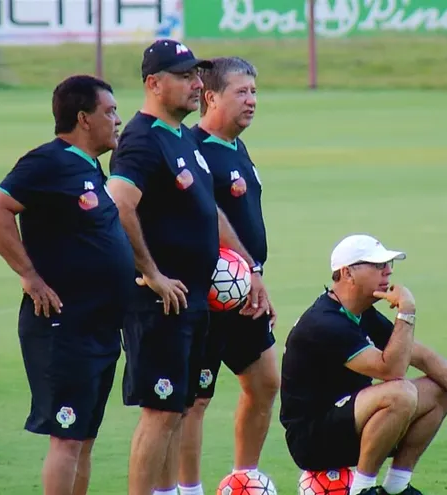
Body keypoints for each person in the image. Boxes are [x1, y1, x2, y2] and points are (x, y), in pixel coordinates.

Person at [0, 75, 134, 495]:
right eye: (110, 111)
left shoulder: (89, 168)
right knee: (66, 439)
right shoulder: (48, 162)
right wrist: (30, 276)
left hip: (98, 328)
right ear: (83, 119)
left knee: (83, 439)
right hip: (63, 328)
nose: (118, 119)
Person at [279, 234, 447, 495]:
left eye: (389, 265)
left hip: (354, 424)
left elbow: (422, 357)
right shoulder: (323, 323)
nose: (388, 271)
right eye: (378, 266)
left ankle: (396, 487)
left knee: (438, 390)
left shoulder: (361, 314)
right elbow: (391, 370)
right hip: (313, 439)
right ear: (347, 273)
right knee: (401, 393)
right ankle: (361, 490)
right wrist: (406, 312)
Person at [105, 39, 220, 495]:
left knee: (177, 409)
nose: (197, 84)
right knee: (159, 411)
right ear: (154, 83)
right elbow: (119, 206)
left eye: (198, 74)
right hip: (159, 303)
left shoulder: (183, 136)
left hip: (190, 297)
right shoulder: (141, 139)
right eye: (185, 76)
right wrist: (151, 273)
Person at [175, 56, 279, 495]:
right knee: (195, 400)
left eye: (254, 91)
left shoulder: (236, 145)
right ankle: (189, 488)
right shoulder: (193, 147)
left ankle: (244, 479)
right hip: (211, 296)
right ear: (211, 96)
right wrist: (243, 271)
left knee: (266, 382)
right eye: (242, 92)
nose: (252, 100)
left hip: (247, 290)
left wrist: (257, 277)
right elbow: (201, 218)